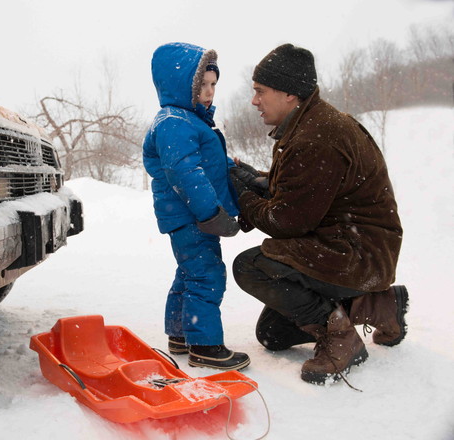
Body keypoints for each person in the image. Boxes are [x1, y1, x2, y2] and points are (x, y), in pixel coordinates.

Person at [229, 43, 408, 385]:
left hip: (358, 251)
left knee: (251, 267)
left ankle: (340, 339)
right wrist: (256, 180)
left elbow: (288, 222)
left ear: (289, 94)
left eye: (260, 92)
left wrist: (243, 197)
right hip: (343, 245)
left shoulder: (317, 137)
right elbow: (304, 190)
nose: (254, 101)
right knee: (273, 334)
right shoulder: (310, 124)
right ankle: (379, 305)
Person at [143, 42, 250, 371]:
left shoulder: (189, 121)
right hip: (193, 217)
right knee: (207, 275)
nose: (209, 92)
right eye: (201, 85)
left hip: (189, 217)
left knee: (190, 272)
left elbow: (208, 166)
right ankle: (205, 345)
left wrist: (240, 174)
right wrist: (211, 214)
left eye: (213, 84)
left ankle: (180, 334)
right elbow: (185, 173)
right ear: (179, 86)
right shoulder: (176, 122)